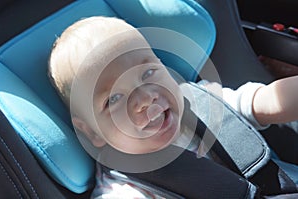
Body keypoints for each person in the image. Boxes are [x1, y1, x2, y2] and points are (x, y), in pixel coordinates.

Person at [48, 16, 298, 198]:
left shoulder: (197, 100)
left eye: (147, 72)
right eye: (113, 99)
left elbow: (263, 101)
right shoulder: (126, 190)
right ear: (91, 132)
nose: (145, 98)